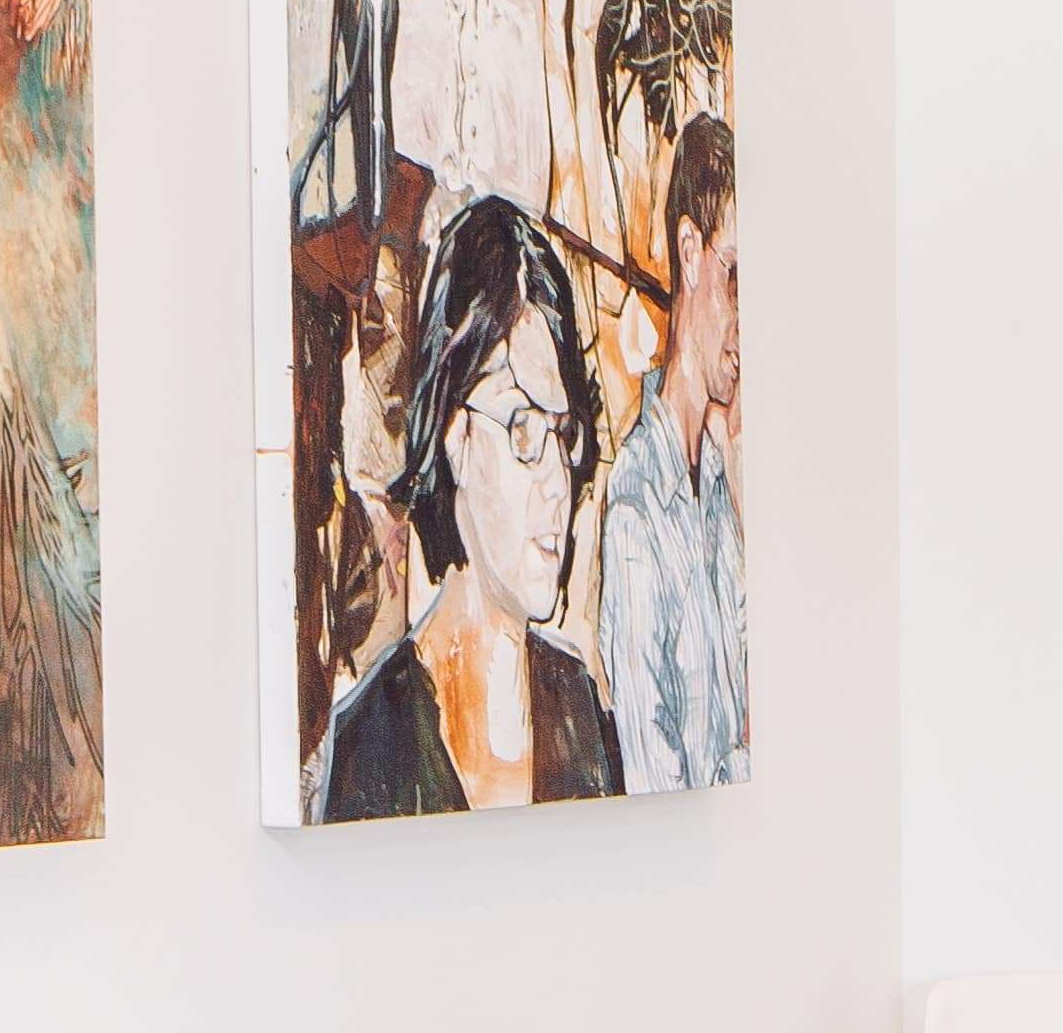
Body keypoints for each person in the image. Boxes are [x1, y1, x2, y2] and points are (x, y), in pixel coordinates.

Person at [313, 190, 623, 817]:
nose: (557, 481)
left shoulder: (579, 708)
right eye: (522, 430)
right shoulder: (374, 743)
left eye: (562, 436)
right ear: (454, 436)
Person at [597, 112, 746, 792]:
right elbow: (657, 791)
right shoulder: (634, 508)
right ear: (690, 251)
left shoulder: (716, 488)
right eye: (739, 276)